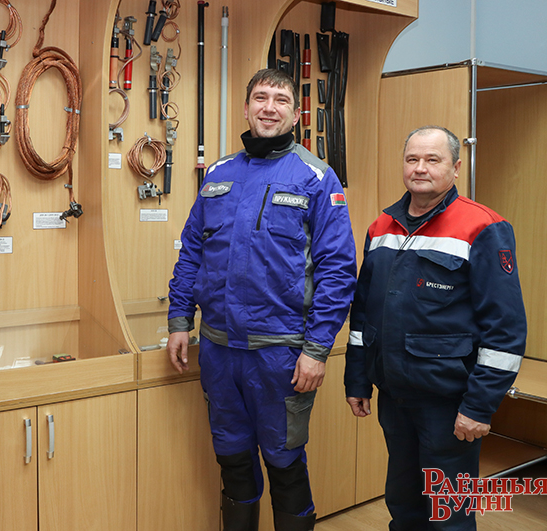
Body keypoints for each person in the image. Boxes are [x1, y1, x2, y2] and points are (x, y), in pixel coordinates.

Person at [167, 68, 357, 531]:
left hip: (281, 355)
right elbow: (192, 251)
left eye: (280, 99)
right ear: (246, 107)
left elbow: (337, 271)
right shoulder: (219, 174)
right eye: (260, 97)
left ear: (296, 113)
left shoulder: (317, 177)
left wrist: (317, 350)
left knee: (284, 463)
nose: (269, 107)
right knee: (232, 460)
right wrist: (179, 320)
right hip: (218, 350)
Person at [344, 126, 527, 530]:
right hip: (394, 397)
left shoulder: (483, 227)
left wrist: (478, 407)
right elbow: (364, 314)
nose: (420, 168)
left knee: (449, 515)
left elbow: (505, 331)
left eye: (432, 159)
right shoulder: (381, 227)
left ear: (456, 168)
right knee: (403, 504)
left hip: (449, 404)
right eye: (412, 159)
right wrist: (357, 380)